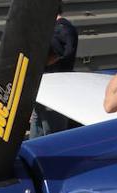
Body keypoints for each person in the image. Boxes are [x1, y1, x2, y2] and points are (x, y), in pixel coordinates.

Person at [30, 8, 80, 137]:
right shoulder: (55, 29)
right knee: (39, 133)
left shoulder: (62, 30)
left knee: (52, 134)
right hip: (44, 90)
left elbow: (55, 54)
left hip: (55, 91)